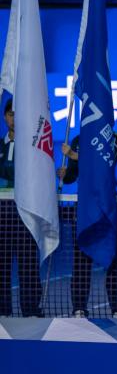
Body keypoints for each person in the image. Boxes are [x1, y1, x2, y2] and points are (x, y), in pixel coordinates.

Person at [59, 132, 117, 318]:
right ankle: (79, 307)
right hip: (85, 205)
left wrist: (73, 155)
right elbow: (73, 174)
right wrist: (65, 175)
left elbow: (104, 163)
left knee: (114, 257)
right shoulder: (78, 140)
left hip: (107, 204)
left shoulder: (114, 138)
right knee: (81, 257)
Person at [0, 100, 42, 317]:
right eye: (10, 114)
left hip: (25, 211)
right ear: (5, 117)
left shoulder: (32, 146)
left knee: (28, 263)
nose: (13, 118)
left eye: (17, 114)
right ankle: (2, 309)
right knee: (2, 265)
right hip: (2, 212)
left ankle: (31, 308)